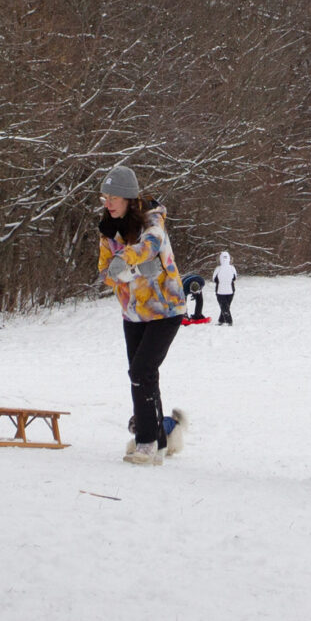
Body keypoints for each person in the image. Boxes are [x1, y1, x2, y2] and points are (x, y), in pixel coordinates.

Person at [97, 164, 190, 465]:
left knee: (141, 372)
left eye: (114, 197)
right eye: (105, 197)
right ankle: (160, 440)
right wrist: (131, 273)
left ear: (128, 198)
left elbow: (151, 246)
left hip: (166, 310)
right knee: (144, 375)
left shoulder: (152, 220)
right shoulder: (108, 230)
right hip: (133, 313)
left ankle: (147, 442)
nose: (108, 203)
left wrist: (126, 262)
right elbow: (105, 273)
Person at [212, 250, 239, 325]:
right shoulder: (232, 268)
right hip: (231, 290)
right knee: (226, 305)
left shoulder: (218, 268)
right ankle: (221, 320)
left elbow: (214, 279)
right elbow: (234, 278)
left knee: (223, 306)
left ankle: (229, 321)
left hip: (220, 290)